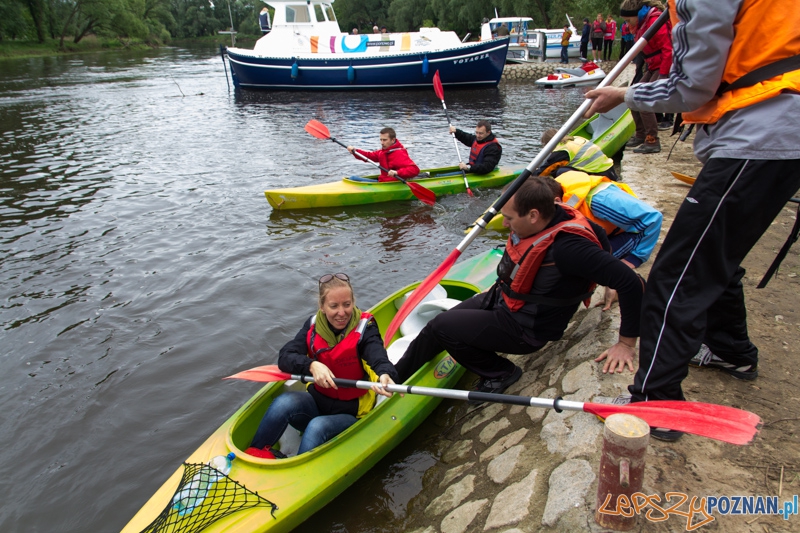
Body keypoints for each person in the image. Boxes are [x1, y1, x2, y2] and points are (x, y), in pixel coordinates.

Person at [584, 0, 800, 441]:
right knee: (716, 255)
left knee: (677, 272)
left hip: (762, 131)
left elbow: (693, 87)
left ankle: (656, 404)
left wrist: (625, 94)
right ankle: (730, 351)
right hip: (775, 127)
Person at [394, 177, 645, 398]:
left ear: (533, 215)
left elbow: (631, 283)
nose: (504, 224)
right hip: (505, 301)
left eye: (509, 217)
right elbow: (600, 236)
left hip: (527, 328)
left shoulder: (569, 248)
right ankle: (394, 378)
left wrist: (625, 343)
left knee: (443, 327)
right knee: (439, 324)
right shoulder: (551, 215)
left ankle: (501, 373)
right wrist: (607, 276)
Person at [247, 273, 398, 458]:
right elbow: (285, 357)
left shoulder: (366, 328)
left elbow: (377, 356)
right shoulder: (311, 326)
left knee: (317, 427)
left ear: (353, 302)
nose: (342, 313)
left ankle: (296, 472)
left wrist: (385, 373)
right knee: (283, 402)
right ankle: (256, 453)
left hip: (351, 413)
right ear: (322, 307)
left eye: (347, 304)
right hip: (318, 402)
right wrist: (311, 365)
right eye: (334, 306)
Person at [550, 172, 663, 308]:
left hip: (633, 234)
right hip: (606, 232)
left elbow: (653, 219)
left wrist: (633, 260)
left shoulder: (599, 200)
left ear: (557, 201)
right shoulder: (556, 194)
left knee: (585, 261)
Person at [618, 0, 673, 154]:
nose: (628, 25)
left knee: (643, 99)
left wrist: (663, 75)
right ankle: (641, 134)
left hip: (664, 64)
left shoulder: (655, 21)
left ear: (638, 14)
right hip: (652, 65)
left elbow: (668, 49)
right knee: (632, 95)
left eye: (629, 20)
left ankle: (652, 140)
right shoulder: (641, 24)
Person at [538, 129, 620, 181]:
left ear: (548, 144)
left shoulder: (562, 150)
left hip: (599, 174)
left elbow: (543, 172)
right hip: (609, 170)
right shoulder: (576, 139)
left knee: (559, 172)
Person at [347, 127, 420, 182]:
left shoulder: (399, 153)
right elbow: (368, 156)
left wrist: (397, 172)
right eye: (381, 140)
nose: (382, 143)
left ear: (393, 140)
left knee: (353, 178)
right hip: (383, 181)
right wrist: (355, 151)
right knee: (352, 178)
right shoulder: (383, 152)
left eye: (384, 140)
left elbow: (415, 170)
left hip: (392, 184)